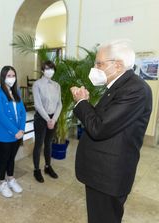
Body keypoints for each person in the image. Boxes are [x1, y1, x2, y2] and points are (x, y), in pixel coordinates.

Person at [70, 40, 152, 223]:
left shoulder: (135, 89)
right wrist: (85, 104)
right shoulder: (118, 86)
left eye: (99, 63)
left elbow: (99, 128)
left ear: (118, 65)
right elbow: (103, 121)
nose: (95, 67)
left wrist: (81, 102)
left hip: (108, 177)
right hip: (101, 173)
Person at [0, 66, 26, 198]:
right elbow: (1, 115)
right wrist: (15, 131)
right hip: (4, 134)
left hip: (18, 133)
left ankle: (10, 179)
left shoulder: (16, 91)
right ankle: (1, 183)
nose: (11, 78)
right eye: (8, 76)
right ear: (3, 77)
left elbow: (22, 111)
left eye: (13, 75)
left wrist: (21, 129)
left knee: (12, 158)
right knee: (4, 158)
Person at [32, 60, 62, 183]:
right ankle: (36, 170)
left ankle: (47, 167)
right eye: (47, 68)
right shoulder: (37, 84)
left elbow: (59, 104)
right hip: (41, 118)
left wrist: (53, 119)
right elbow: (38, 105)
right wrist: (48, 119)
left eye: (52, 68)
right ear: (43, 71)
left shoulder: (57, 85)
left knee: (48, 143)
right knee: (39, 145)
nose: (50, 71)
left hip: (53, 119)